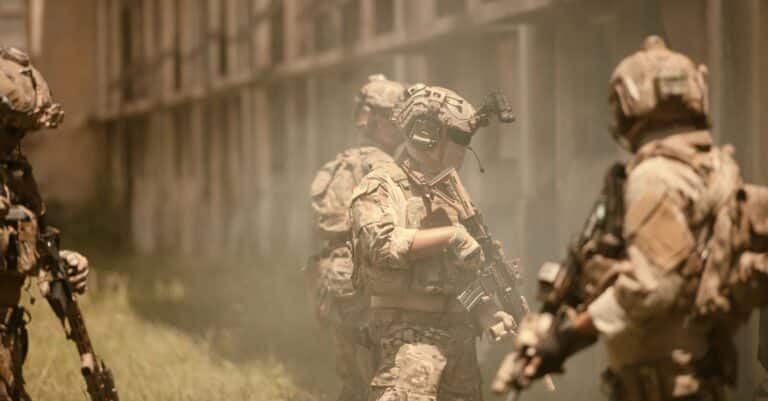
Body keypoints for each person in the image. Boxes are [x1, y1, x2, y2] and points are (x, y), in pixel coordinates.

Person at [493, 35, 768, 401]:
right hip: (694, 373)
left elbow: (650, 287)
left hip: (665, 383)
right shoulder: (713, 169)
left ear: (628, 104)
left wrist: (570, 334)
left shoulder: (655, 175)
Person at [350, 83, 516, 401]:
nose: (464, 148)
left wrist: (486, 311)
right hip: (406, 343)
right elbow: (380, 245)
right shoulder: (382, 184)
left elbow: (459, 279)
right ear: (426, 134)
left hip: (458, 344)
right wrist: (450, 236)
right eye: (458, 138)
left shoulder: (453, 199)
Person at [308, 74, 405, 401]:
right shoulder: (386, 168)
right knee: (379, 377)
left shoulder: (341, 163)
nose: (401, 128)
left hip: (333, 279)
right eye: (395, 120)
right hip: (362, 282)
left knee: (351, 380)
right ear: (379, 122)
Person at [0, 46, 90, 401]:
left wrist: (63, 262)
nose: (18, 141)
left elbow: (37, 243)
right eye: (11, 130)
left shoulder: (15, 173)